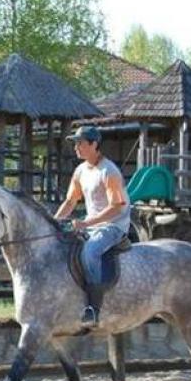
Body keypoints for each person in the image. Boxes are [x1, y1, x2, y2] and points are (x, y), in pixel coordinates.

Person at [53, 126, 131, 327]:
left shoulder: (109, 171)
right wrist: (54, 222)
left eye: (80, 142)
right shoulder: (80, 170)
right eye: (75, 143)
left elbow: (117, 207)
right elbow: (71, 202)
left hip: (113, 225)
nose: (76, 147)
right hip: (92, 224)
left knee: (90, 251)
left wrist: (86, 223)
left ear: (94, 144)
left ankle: (93, 309)